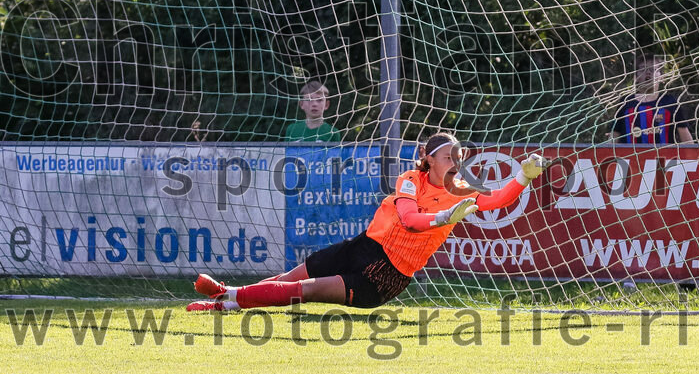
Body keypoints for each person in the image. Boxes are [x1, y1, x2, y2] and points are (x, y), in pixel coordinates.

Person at [186, 133, 548, 311]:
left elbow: (498, 199)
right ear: (428, 159)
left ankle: (225, 295)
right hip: (363, 246)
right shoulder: (410, 179)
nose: (458, 160)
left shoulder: (463, 190)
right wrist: (442, 217)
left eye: (460, 155)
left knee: (308, 290)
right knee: (288, 280)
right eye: (449, 155)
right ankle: (223, 302)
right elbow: (409, 220)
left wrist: (522, 177)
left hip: (385, 275)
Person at [610, 56, 695, 143]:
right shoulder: (626, 102)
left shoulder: (670, 102)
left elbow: (687, 140)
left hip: (664, 156)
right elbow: (614, 136)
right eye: (643, 69)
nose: (648, 72)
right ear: (636, 77)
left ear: (662, 77)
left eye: (653, 69)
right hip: (630, 156)